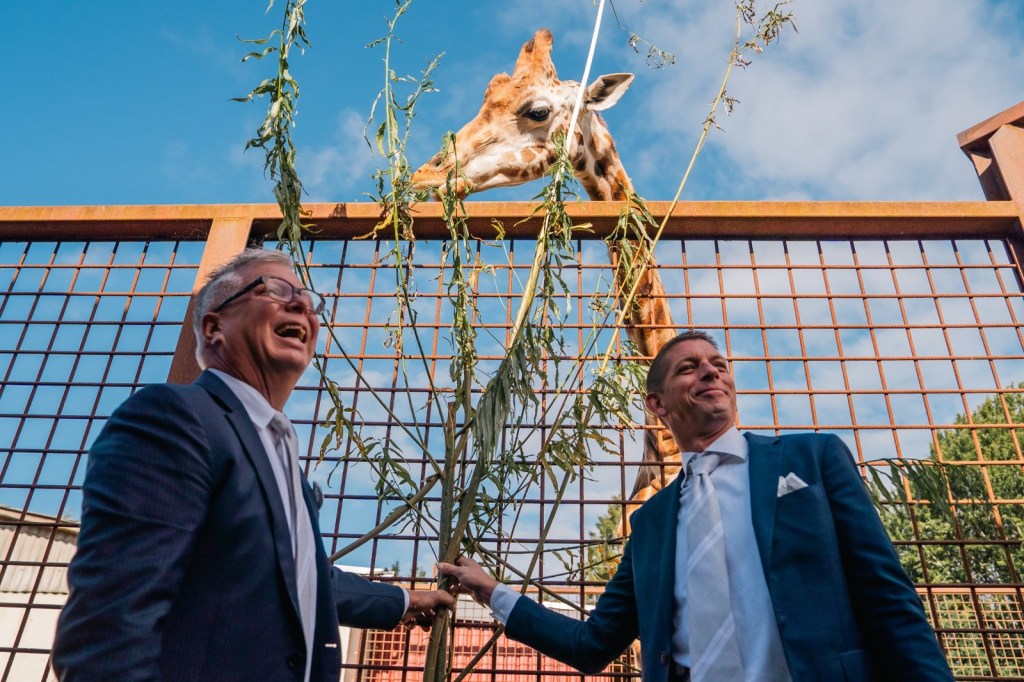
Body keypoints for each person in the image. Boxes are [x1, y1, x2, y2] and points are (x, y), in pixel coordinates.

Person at [439, 330, 953, 682]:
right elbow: (593, 644)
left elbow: (889, 598)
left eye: (719, 365)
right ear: (657, 404)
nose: (710, 372)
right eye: (689, 368)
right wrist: (493, 594)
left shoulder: (812, 458)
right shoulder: (651, 524)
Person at [53, 249, 453, 682]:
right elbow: (110, 624)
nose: (301, 304)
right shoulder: (174, 418)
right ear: (214, 326)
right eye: (275, 290)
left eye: (308, 298)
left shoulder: (278, 448)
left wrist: (404, 599)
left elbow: (296, 580)